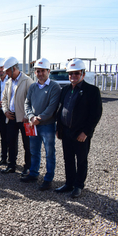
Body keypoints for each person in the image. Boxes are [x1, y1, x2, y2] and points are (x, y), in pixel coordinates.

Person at [55, 59, 102, 198]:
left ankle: (78, 185)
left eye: (76, 73)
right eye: (70, 73)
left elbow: (96, 114)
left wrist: (86, 132)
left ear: (83, 73)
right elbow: (60, 110)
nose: (73, 76)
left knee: (81, 160)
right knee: (68, 159)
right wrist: (59, 128)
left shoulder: (92, 91)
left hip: (80, 133)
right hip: (66, 131)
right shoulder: (65, 90)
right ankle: (69, 183)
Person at [21, 58, 61, 191]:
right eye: (38, 71)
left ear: (48, 71)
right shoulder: (33, 86)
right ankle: (33, 174)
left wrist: (39, 118)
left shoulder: (55, 87)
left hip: (47, 125)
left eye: (43, 70)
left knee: (49, 153)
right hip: (34, 125)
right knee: (34, 151)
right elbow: (27, 103)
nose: (40, 73)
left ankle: (48, 179)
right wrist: (32, 117)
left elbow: (52, 107)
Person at [1, 56, 33, 176]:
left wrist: (27, 115)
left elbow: (32, 101)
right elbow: (4, 99)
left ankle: (28, 167)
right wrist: (5, 111)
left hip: (25, 119)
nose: (6, 73)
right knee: (11, 142)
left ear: (14, 69)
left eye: (8, 71)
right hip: (11, 117)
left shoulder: (27, 81)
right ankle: (11, 165)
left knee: (27, 144)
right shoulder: (8, 82)